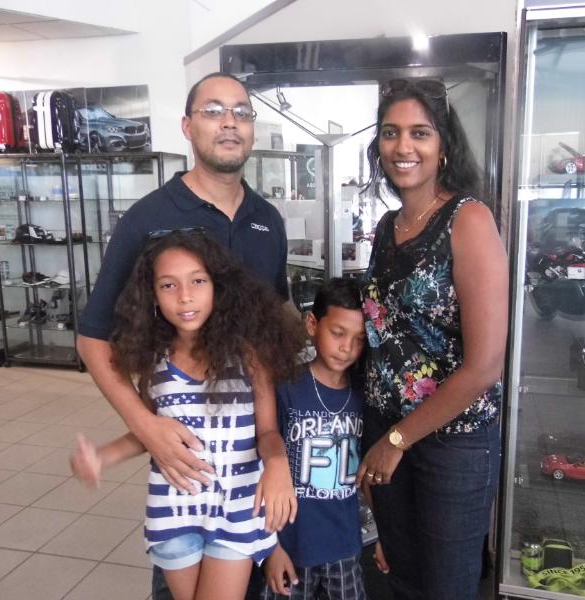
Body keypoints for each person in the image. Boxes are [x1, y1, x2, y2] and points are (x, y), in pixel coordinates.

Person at [75, 73, 289, 600]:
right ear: (188, 126)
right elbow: (93, 338)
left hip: (250, 472)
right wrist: (145, 426)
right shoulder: (148, 218)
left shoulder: (268, 220)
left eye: (241, 112)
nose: (230, 122)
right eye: (214, 111)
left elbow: (278, 318)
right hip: (184, 485)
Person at [71, 231, 304, 600]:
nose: (185, 296)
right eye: (168, 285)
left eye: (198, 281)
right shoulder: (155, 363)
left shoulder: (249, 357)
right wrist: (102, 457)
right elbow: (148, 432)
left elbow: (267, 432)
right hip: (174, 512)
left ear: (218, 287)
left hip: (236, 511)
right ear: (152, 295)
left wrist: (278, 465)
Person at [354, 78, 508, 600]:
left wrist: (397, 441)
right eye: (391, 132)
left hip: (452, 442)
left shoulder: (468, 220)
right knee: (400, 578)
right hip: (385, 431)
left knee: (446, 588)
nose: (404, 146)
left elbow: (485, 365)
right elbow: (384, 334)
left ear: (443, 145)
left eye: (420, 132)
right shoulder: (385, 227)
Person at [260, 277, 368, 600]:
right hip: (290, 546)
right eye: (338, 333)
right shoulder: (286, 387)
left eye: (359, 339)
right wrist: (270, 548)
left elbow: (369, 474)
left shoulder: (364, 394)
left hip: (344, 546)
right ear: (312, 324)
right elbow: (261, 472)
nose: (347, 347)